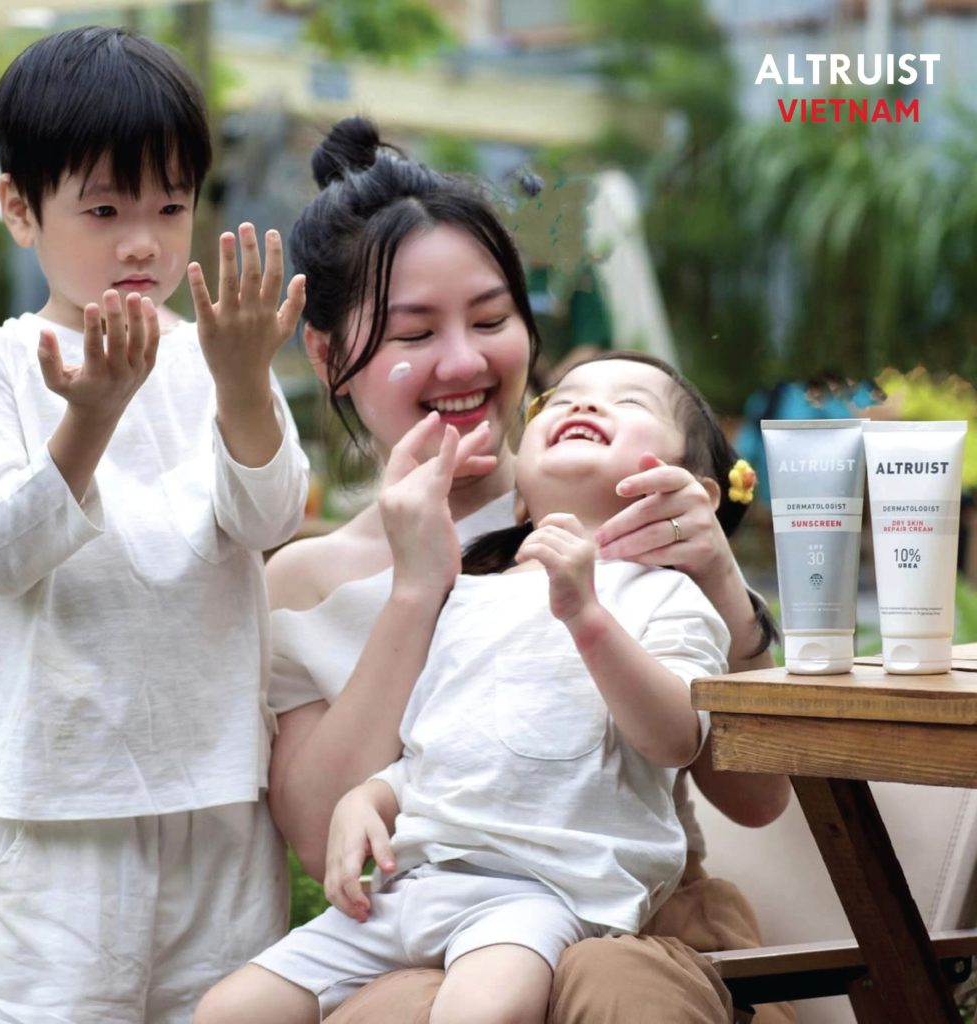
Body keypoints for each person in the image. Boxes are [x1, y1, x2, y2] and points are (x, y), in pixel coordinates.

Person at [267, 117, 793, 1024]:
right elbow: (326, 847)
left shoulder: (617, 508)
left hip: (636, 937)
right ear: (327, 356)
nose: (465, 361)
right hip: (419, 936)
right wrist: (413, 590)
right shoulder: (305, 580)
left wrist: (725, 595)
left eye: (491, 319)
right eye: (414, 332)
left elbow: (757, 798)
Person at [196, 350, 741, 1023]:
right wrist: (370, 798)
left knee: (478, 1011)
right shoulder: (467, 599)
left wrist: (588, 618)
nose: (583, 403)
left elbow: (676, 739)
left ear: (691, 492)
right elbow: (443, 743)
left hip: (540, 893)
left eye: (630, 402)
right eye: (561, 398)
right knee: (229, 1010)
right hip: (415, 886)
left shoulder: (669, 598)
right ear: (521, 494)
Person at [0, 27, 309, 1023]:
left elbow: (271, 515)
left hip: (220, 798)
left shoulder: (219, 355)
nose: (143, 241)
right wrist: (92, 415)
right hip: (59, 807)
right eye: (105, 210)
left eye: (170, 206)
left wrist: (245, 383)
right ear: (21, 208)